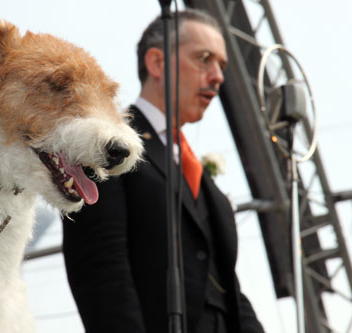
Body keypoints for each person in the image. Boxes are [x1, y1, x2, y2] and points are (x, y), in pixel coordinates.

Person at [62, 9, 264, 333]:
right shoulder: (108, 145)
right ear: (157, 63)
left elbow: (228, 290)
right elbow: (101, 269)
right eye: (205, 59)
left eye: (222, 66)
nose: (218, 76)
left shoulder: (196, 170)